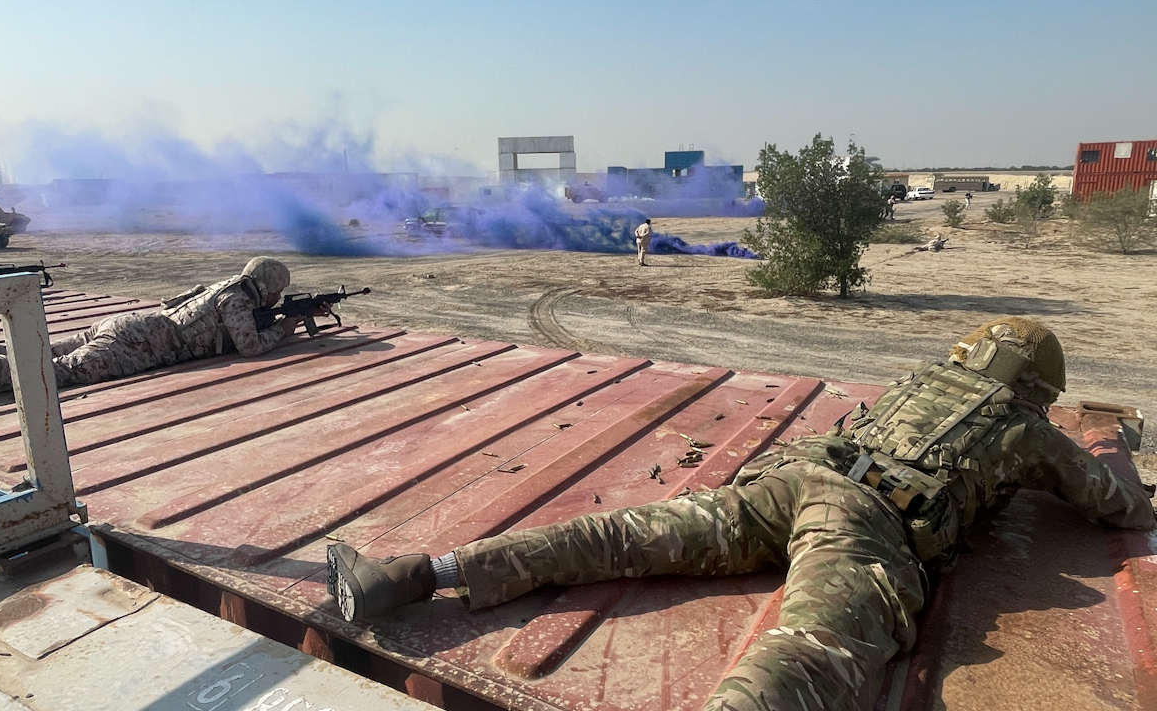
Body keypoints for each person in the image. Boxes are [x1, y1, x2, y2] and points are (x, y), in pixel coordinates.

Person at [327, 317, 1155, 711]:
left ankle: (416, 574)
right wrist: (1097, 456)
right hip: (864, 522)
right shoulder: (1022, 430)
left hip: (786, 483)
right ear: (1034, 387)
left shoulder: (914, 381)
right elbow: (1116, 504)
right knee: (810, 649)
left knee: (618, 536)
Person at [0, 256, 328, 414]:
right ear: (269, 285)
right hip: (138, 345)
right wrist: (285, 329)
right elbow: (249, 347)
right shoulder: (237, 300)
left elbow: (214, 321)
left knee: (37, 349)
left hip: (127, 327)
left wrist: (279, 318)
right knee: (53, 372)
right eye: (278, 293)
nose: (277, 299)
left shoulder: (227, 287)